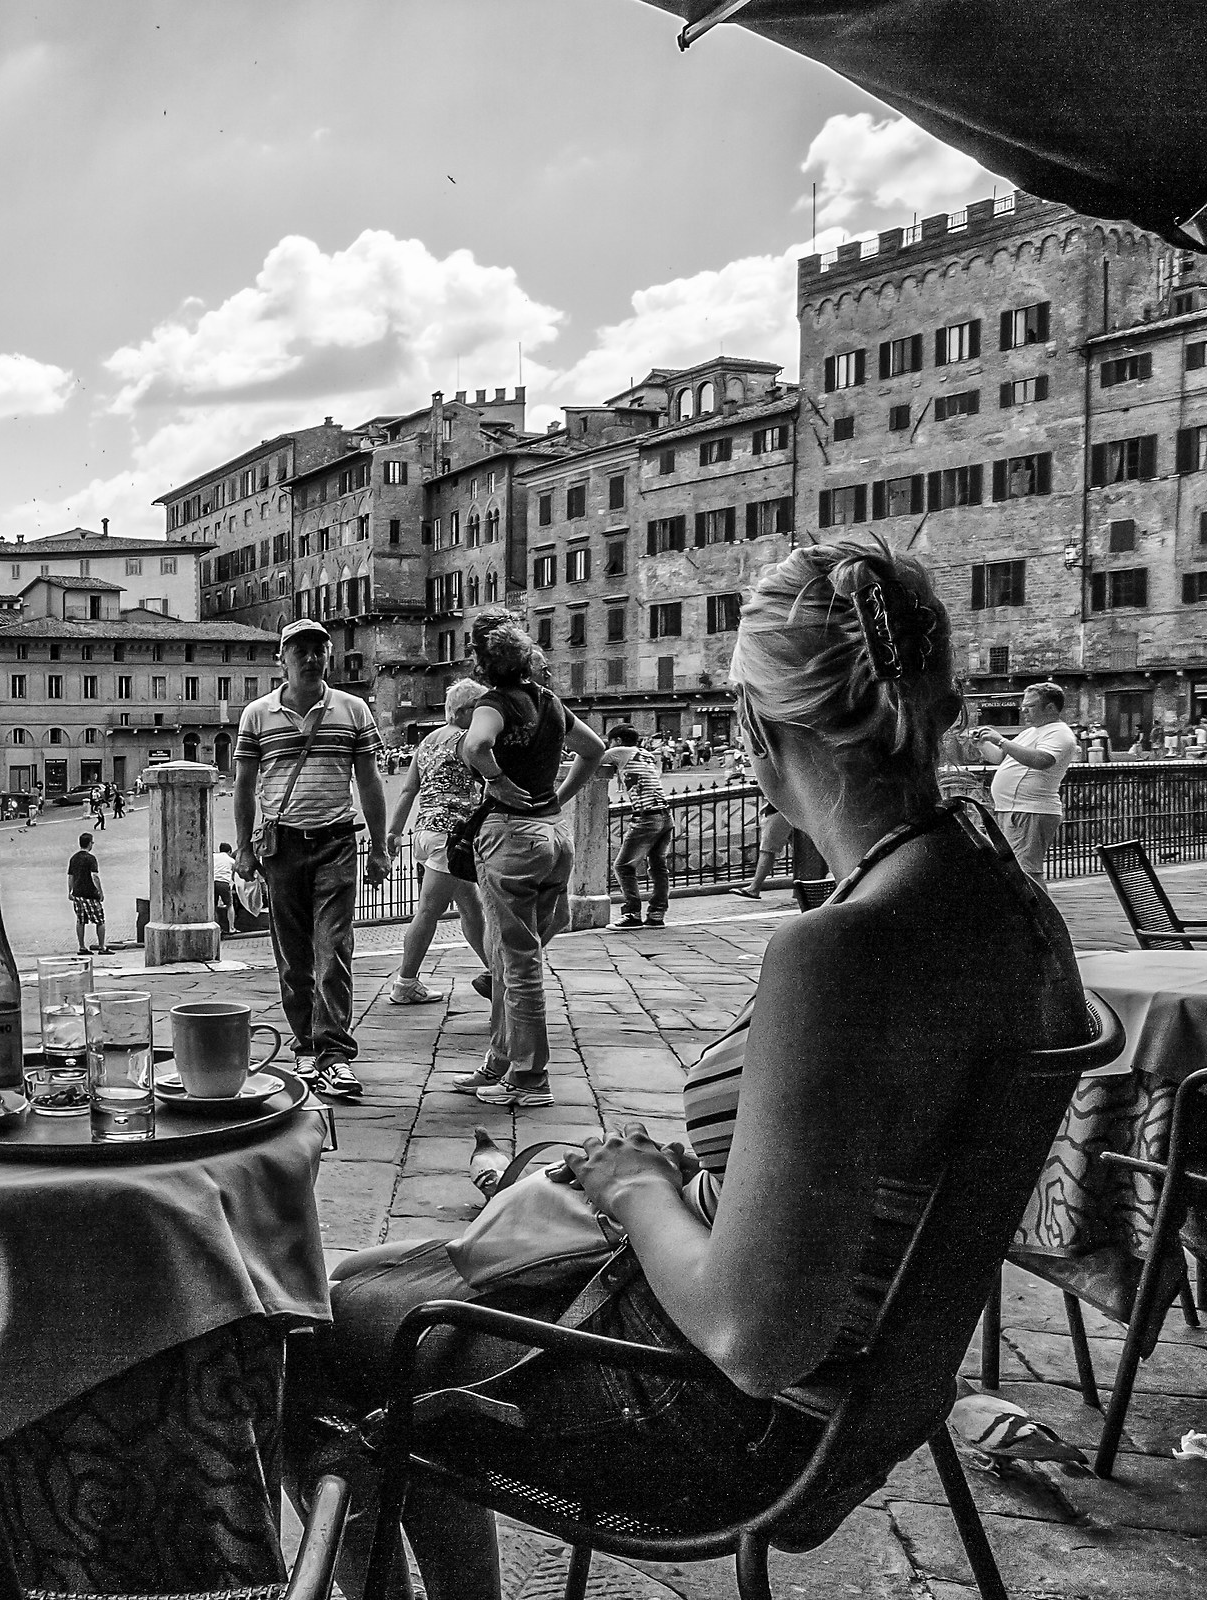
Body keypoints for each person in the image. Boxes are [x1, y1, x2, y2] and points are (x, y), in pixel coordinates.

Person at [294, 536, 1089, 1600]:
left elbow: (755, 1338)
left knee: (316, 1331)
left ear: (758, 730)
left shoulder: (843, 950)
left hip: (719, 1421)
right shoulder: (1003, 895)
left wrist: (635, 1183)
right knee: (392, 1289)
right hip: (875, 1393)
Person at [449, 609, 605, 1109]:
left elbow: (477, 745)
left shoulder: (494, 704)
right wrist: (559, 796)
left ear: (482, 663)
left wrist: (495, 779)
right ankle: (499, 1060)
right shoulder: (551, 703)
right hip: (553, 837)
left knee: (517, 963)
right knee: (505, 954)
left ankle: (530, 1078)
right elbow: (595, 748)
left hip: (510, 838)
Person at [233, 617, 388, 1103]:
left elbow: (370, 782)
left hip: (337, 842)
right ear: (282, 658)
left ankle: (335, 1054)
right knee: (294, 956)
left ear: (328, 656)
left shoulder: (354, 709)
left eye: (318, 649)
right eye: (299, 650)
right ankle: (304, 1044)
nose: (310, 657)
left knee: (334, 948)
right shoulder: (256, 715)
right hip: (281, 847)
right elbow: (243, 786)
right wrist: (242, 848)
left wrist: (380, 848)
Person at [382, 679, 490, 1006]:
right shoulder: (469, 742)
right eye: (482, 709)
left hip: (426, 833)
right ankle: (405, 982)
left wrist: (394, 832)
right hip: (451, 837)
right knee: (429, 910)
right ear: (465, 711)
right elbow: (492, 781)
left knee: (471, 909)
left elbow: (407, 791)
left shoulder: (427, 741)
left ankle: (498, 974)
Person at [972, 682, 1079, 881]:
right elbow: (1000, 758)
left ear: (1050, 708)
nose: (1024, 710)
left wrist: (1002, 740)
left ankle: (1043, 912)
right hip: (1012, 809)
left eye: (1030, 706)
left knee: (1026, 873)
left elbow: (1041, 760)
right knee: (1014, 871)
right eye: (1024, 706)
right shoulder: (1030, 732)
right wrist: (982, 744)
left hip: (1030, 810)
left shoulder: (1059, 733)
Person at [603, 724, 673, 930]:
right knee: (658, 866)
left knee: (623, 866)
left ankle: (632, 913)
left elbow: (593, 759)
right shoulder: (646, 754)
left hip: (647, 816)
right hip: (665, 814)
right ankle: (657, 913)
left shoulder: (620, 752)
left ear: (616, 741)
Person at [68, 832, 107, 955]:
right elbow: (94, 876)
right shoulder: (91, 858)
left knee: (80, 921)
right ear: (90, 843)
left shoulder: (73, 858)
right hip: (90, 894)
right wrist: (100, 891)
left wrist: (70, 891)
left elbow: (70, 877)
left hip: (78, 895)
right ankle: (102, 947)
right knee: (100, 920)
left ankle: (82, 947)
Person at [213, 841, 239, 933]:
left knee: (214, 906)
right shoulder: (230, 860)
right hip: (224, 883)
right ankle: (231, 928)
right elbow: (235, 874)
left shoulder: (213, 857)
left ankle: (216, 929)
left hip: (212, 882)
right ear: (229, 851)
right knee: (229, 905)